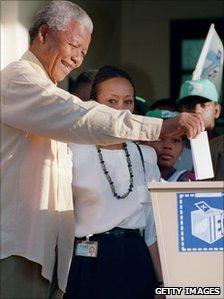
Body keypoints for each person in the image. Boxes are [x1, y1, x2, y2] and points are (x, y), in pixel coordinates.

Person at [0, 0, 204, 298]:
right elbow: (82, 116)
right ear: (44, 33)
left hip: (50, 254)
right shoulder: (20, 80)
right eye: (73, 45)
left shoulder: (47, 93)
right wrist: (160, 127)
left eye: (84, 52)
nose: (77, 59)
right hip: (20, 248)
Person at [65, 66, 163, 299]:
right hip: (86, 260)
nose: (121, 110)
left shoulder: (146, 156)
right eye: (111, 101)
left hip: (135, 258)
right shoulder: (71, 151)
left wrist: (162, 282)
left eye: (127, 102)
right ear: (94, 105)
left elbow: (152, 229)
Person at [175, 78, 221, 171]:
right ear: (180, 112)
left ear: (216, 111)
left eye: (203, 105)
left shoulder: (221, 146)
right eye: (189, 106)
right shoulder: (170, 150)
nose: (196, 111)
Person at [146, 111, 195, 181]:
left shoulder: (188, 181)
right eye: (160, 139)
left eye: (175, 140)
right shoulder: (128, 175)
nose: (168, 146)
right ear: (143, 141)